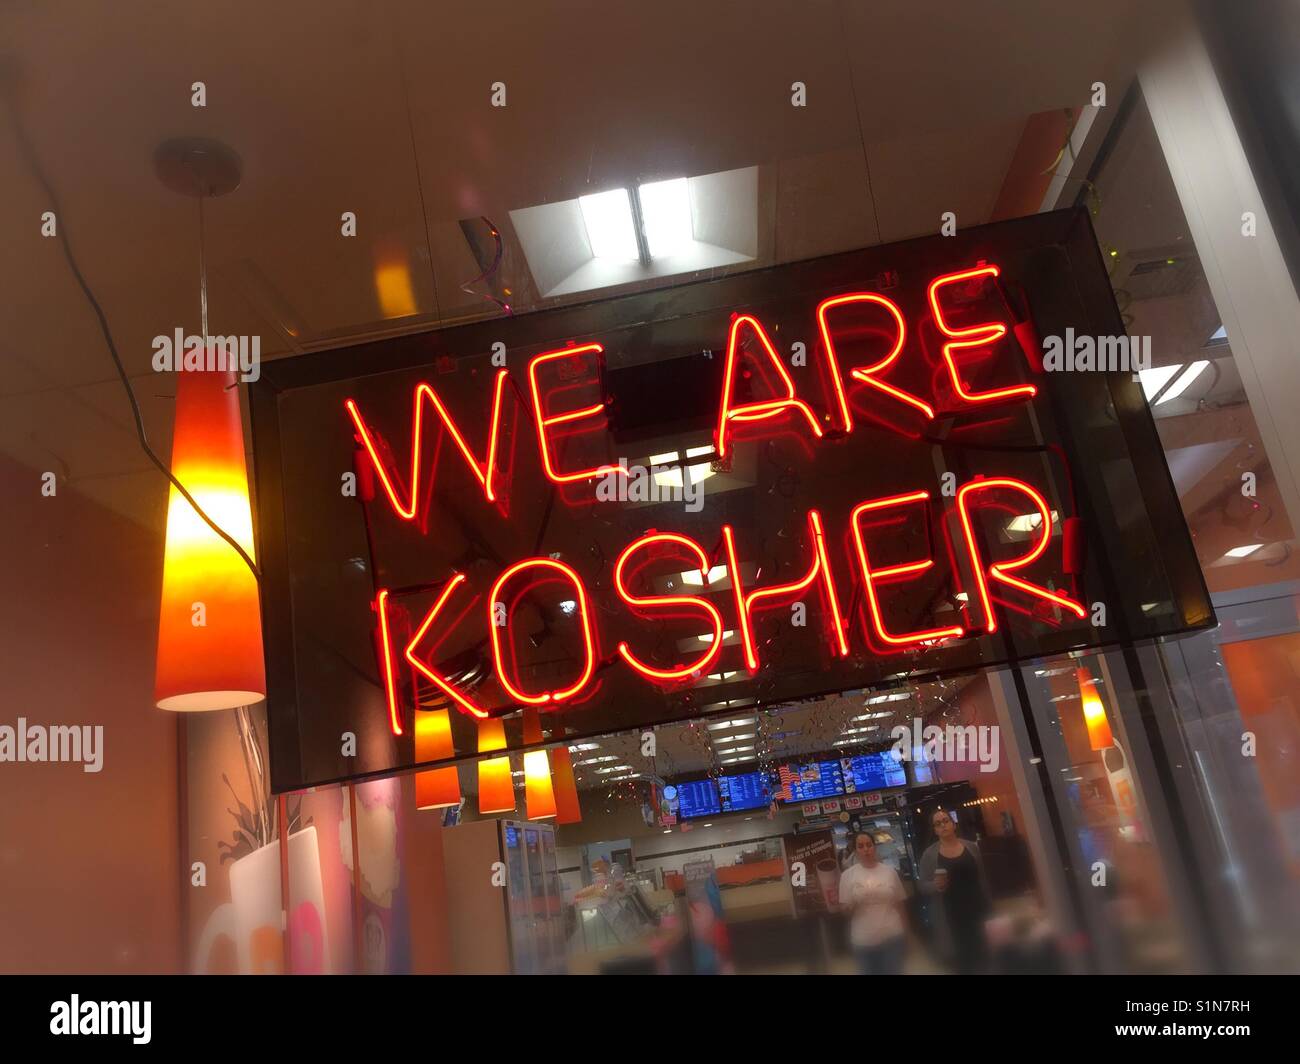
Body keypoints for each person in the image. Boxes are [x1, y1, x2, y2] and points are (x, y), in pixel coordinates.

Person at [919, 809, 992, 974]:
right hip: (951, 916)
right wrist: (935, 886)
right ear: (934, 830)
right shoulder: (930, 855)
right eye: (937, 824)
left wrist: (990, 905)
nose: (943, 825)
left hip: (978, 910)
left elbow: (983, 878)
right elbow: (922, 885)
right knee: (962, 963)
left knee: (985, 959)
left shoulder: (972, 847)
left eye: (945, 820)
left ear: (954, 824)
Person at [838, 831, 907, 975]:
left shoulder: (889, 872)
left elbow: (900, 904)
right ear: (856, 850)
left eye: (869, 845)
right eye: (861, 846)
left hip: (892, 936)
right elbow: (845, 911)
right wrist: (854, 902)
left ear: (874, 847)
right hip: (863, 939)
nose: (865, 849)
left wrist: (907, 934)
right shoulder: (847, 876)